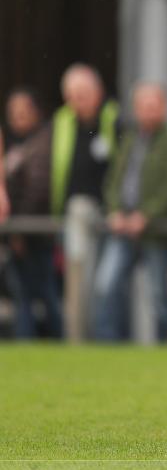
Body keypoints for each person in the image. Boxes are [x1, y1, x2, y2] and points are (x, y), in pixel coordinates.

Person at [91, 82, 167, 341]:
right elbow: (113, 181)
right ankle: (107, 347)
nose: (148, 111)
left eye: (153, 105)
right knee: (106, 286)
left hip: (156, 231)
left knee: (158, 295)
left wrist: (147, 215)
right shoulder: (130, 139)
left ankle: (163, 348)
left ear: (164, 107)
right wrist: (114, 211)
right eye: (143, 106)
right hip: (122, 228)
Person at [3, 87, 59, 338]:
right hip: (22, 231)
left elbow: (37, 190)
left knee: (40, 292)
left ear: (36, 113)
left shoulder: (41, 142)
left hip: (34, 231)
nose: (18, 118)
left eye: (23, 112)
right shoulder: (16, 143)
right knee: (26, 293)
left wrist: (19, 230)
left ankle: (53, 340)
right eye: (13, 113)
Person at [51, 63, 119, 216]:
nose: (79, 101)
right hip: (70, 208)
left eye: (84, 94)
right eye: (73, 96)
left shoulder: (115, 120)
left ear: (99, 92)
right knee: (79, 208)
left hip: (111, 208)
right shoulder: (59, 123)